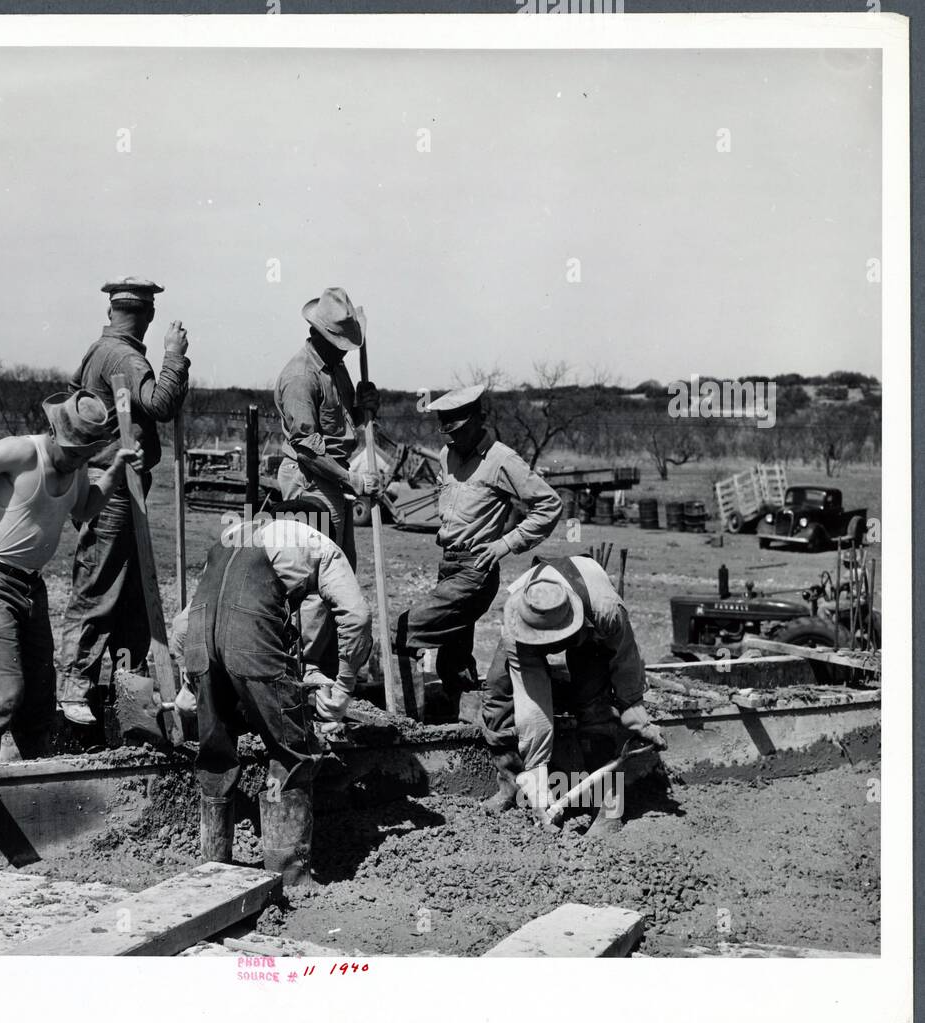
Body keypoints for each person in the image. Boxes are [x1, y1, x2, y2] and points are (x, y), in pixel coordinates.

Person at [0, 391, 141, 759]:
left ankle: (33, 785)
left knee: (40, 705)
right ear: (55, 433)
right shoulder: (22, 452)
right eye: (74, 452)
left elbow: (88, 506)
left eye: (87, 454)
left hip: (29, 588)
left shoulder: (75, 470)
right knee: (3, 698)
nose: (78, 460)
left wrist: (117, 468)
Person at [175, 515, 372, 891]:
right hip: (248, 639)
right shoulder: (324, 550)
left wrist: (190, 682)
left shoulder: (231, 540)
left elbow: (184, 623)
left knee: (216, 751)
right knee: (292, 749)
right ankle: (290, 875)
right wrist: (343, 690)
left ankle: (213, 868)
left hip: (202, 638)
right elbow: (358, 618)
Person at [55, 277, 191, 726]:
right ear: (147, 317)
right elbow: (161, 403)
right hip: (116, 485)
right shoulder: (127, 357)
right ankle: (74, 685)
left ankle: (130, 696)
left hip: (118, 480)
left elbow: (75, 395)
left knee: (132, 595)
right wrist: (175, 355)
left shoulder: (98, 350)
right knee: (98, 582)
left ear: (113, 312)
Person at [394, 384, 563, 719]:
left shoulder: (502, 459)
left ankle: (402, 723)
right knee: (453, 661)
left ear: (477, 420)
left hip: (476, 571)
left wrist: (505, 543)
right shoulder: (446, 455)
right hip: (449, 566)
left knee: (402, 632)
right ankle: (471, 723)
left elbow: (549, 505)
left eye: (457, 430)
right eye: (445, 431)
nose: (450, 439)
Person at [479, 555, 667, 832]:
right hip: (530, 635)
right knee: (498, 694)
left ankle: (609, 809)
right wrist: (537, 774)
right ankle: (516, 785)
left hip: (587, 630)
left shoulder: (606, 611)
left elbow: (626, 662)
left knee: (595, 707)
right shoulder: (517, 624)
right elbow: (533, 705)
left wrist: (638, 719)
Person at [272, 287, 380, 674]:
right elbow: (308, 449)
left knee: (341, 568)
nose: (344, 350)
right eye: (339, 342)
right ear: (318, 333)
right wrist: (352, 478)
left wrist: (363, 405)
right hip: (310, 481)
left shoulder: (335, 366)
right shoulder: (301, 376)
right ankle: (306, 664)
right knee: (315, 574)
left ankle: (327, 658)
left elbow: (342, 421)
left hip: (333, 480)